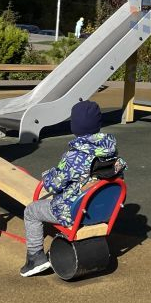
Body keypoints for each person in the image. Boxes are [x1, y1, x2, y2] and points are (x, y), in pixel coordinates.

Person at [21, 100, 124, 277]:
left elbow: (54, 185)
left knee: (31, 211)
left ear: (74, 126)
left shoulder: (74, 156)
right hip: (102, 211)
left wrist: (48, 175)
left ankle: (35, 257)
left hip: (73, 211)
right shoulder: (111, 152)